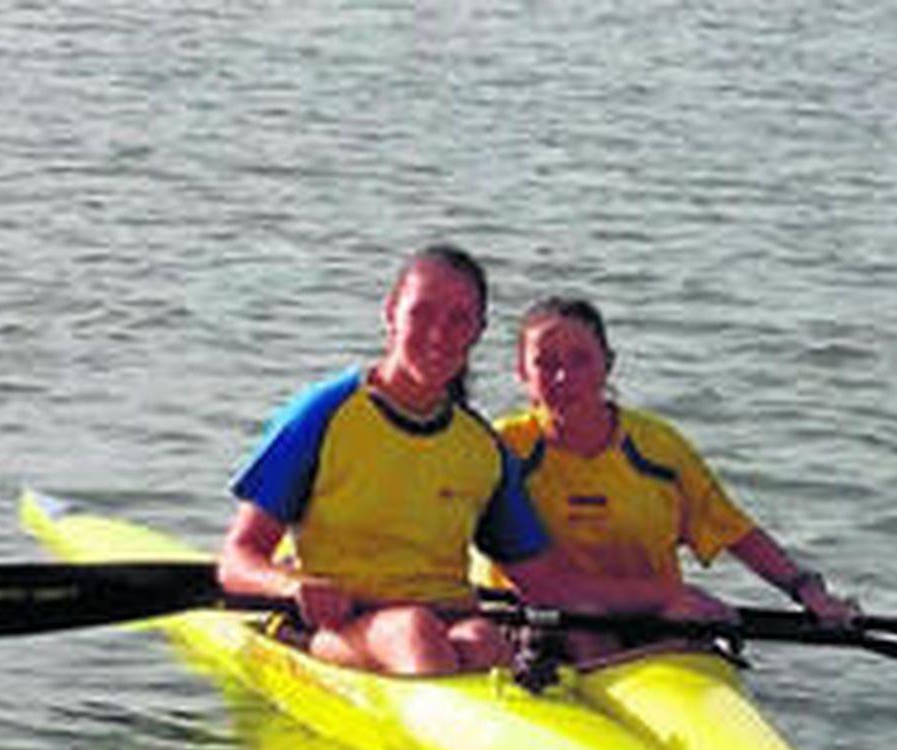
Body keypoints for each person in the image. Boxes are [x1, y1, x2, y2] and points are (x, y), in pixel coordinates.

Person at [219, 245, 571, 676]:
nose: (439, 334)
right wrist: (291, 584)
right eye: (422, 313)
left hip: (450, 623)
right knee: (414, 633)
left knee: (484, 643)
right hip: (341, 627)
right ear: (391, 313)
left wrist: (660, 598)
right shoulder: (323, 413)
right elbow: (237, 558)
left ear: (478, 331)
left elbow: (547, 583)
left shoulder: (482, 447)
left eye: (458, 319)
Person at [483, 295, 858, 656]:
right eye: (545, 363)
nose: (564, 377)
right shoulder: (500, 449)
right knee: (588, 623)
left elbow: (735, 531)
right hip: (534, 620)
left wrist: (806, 590)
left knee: (689, 615)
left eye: (581, 360)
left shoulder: (657, 447)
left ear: (608, 363)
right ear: (522, 373)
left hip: (642, 615)